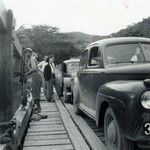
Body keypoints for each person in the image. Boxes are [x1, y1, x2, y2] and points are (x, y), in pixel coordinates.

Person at [25, 48, 42, 113]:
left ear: (30, 53)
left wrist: (27, 73)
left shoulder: (32, 58)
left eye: (28, 52)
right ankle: (37, 107)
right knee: (35, 91)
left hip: (36, 76)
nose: (26, 54)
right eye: (26, 52)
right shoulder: (31, 59)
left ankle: (39, 108)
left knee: (36, 92)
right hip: (36, 76)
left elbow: (34, 68)